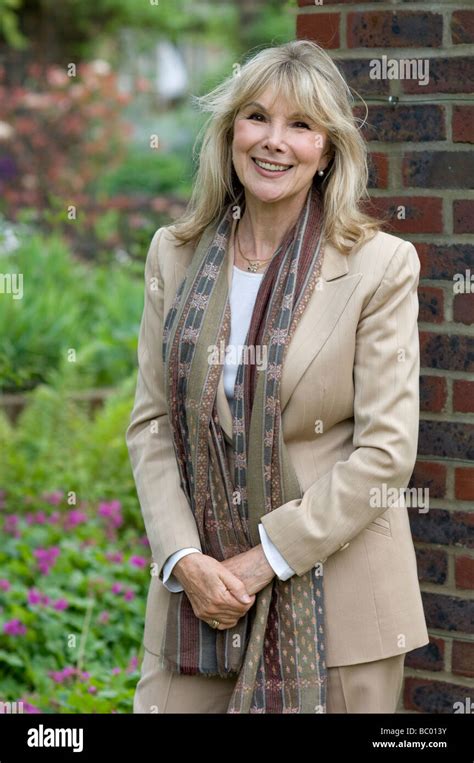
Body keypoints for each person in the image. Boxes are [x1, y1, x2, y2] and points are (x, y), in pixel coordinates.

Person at [126, 40, 429, 714]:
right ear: (231, 130)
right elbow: (151, 425)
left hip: (339, 607)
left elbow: (384, 455)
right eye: (256, 116)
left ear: (328, 150)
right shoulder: (174, 255)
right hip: (196, 608)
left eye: (301, 125)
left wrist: (263, 558)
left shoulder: (380, 266)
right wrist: (184, 560)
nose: (274, 141)